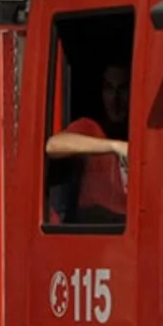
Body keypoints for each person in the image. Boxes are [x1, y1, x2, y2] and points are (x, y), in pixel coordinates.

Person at [46, 61, 130, 224]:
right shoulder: (91, 128)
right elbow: (53, 145)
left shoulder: (147, 135)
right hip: (94, 231)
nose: (116, 98)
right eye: (109, 88)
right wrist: (115, 146)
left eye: (123, 89)